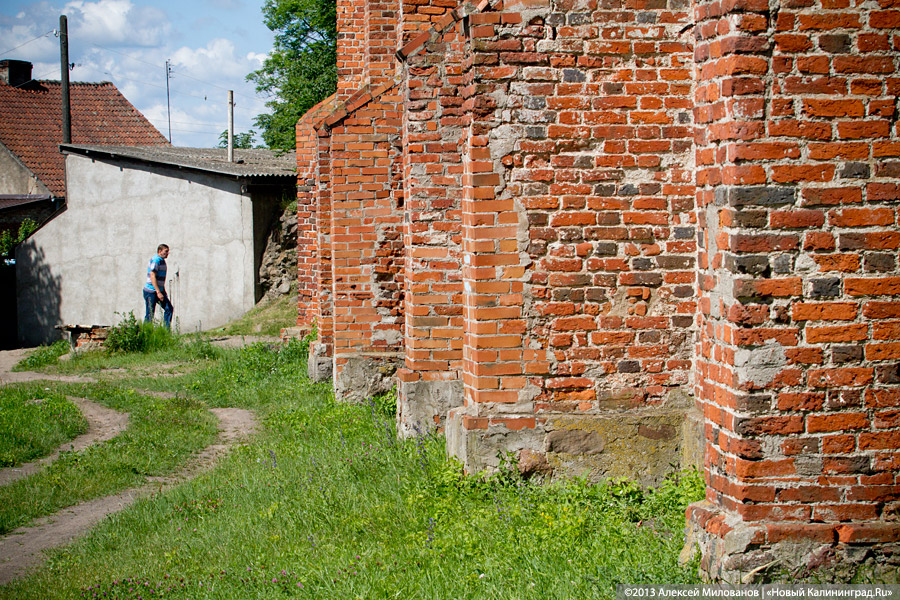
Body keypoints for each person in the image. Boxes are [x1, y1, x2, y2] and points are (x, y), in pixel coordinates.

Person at [143, 244, 174, 328]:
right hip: (151, 291)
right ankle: (146, 333)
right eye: (166, 251)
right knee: (150, 313)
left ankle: (165, 332)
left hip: (159, 291)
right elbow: (152, 276)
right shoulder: (156, 260)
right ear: (160, 251)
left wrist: (163, 290)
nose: (167, 253)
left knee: (169, 309)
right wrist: (158, 292)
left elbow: (160, 279)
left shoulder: (162, 261)